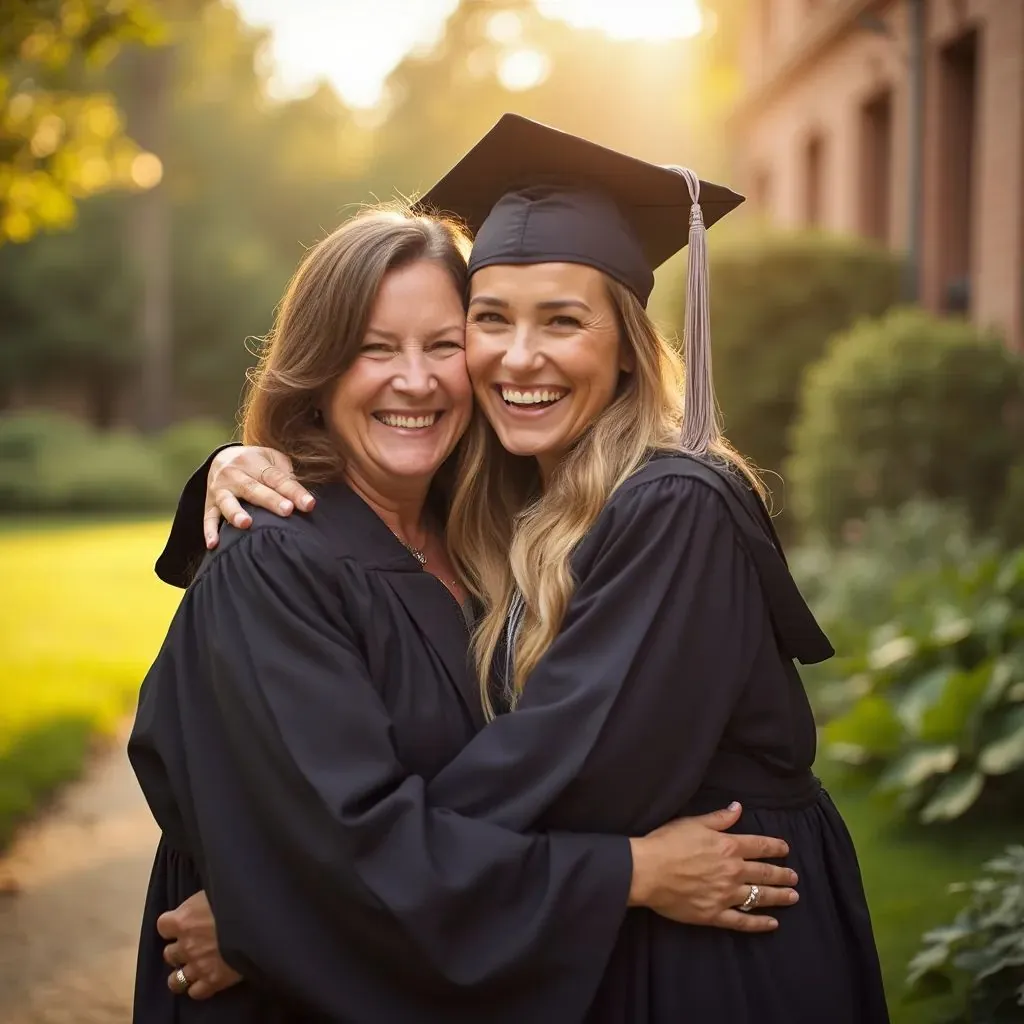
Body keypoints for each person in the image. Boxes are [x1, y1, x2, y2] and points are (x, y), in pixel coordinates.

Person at [163, 115, 890, 1022]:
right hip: (640, 942)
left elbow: (565, 773)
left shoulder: (668, 506)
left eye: (562, 321)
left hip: (723, 947)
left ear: (626, 341)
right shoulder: (513, 521)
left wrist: (284, 906)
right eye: (490, 321)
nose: (514, 358)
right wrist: (236, 462)